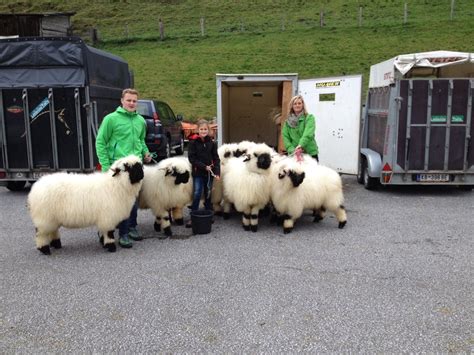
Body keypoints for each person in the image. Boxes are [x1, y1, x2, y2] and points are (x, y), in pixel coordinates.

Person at [95, 88, 152, 248]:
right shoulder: (111, 119)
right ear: (122, 101)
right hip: (118, 170)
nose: (132, 103)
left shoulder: (140, 120)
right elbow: (100, 142)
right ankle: (123, 233)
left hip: (136, 169)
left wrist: (146, 153)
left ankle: (132, 227)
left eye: (134, 101)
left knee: (134, 200)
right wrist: (107, 166)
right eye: (129, 100)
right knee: (120, 203)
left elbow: (141, 141)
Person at [186, 119, 220, 228]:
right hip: (198, 173)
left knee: (208, 194)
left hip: (209, 174)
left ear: (208, 130)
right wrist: (203, 166)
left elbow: (216, 158)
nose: (203, 131)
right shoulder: (193, 143)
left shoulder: (212, 143)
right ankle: (193, 216)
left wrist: (217, 172)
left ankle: (208, 215)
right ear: (197, 130)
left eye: (205, 129)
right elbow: (192, 159)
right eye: (201, 129)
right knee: (197, 192)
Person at [282, 95, 319, 162]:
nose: (297, 105)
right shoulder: (287, 122)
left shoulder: (309, 118)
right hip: (294, 155)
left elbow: (308, 133)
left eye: (299, 103)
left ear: (303, 105)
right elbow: (285, 137)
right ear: (292, 106)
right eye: (295, 104)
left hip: (309, 153)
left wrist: (300, 145)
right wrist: (292, 150)